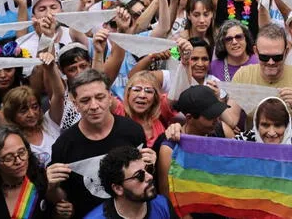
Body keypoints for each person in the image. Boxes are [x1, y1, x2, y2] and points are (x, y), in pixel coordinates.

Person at [46, 70, 152, 219]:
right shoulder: (63, 145)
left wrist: (151, 164)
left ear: (110, 98)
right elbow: (62, 196)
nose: (94, 106)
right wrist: (51, 187)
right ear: (75, 105)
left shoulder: (132, 130)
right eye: (85, 100)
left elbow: (143, 177)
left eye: (100, 97)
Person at [233, 24, 292, 133]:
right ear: (256, 52)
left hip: (290, 145)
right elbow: (231, 120)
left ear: (286, 52)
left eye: (277, 57)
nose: (271, 62)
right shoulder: (243, 75)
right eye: (265, 57)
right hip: (254, 144)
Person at [157, 85, 229, 198]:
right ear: (189, 117)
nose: (216, 119)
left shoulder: (222, 131)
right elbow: (168, 195)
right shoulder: (170, 148)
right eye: (210, 116)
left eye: (217, 113)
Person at [85, 146, 171, 219]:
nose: (150, 177)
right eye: (139, 176)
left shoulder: (163, 204)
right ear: (118, 188)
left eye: (148, 169)